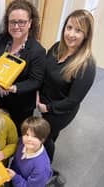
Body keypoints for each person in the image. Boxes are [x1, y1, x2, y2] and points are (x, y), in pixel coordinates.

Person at [0, 0, 46, 136]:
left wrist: (13, 88)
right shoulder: (2, 39)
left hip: (20, 104)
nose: (16, 26)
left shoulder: (37, 51)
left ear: (30, 23)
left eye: (21, 22)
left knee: (15, 133)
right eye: (12, 22)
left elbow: (36, 81)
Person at [37, 9, 96, 162]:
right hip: (44, 100)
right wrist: (37, 93)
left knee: (46, 138)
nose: (71, 34)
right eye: (69, 28)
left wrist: (47, 108)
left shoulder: (86, 65)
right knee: (46, 134)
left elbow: (73, 101)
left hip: (60, 110)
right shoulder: (57, 47)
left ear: (86, 36)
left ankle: (45, 167)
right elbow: (44, 71)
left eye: (78, 30)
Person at [6, 116, 52, 187]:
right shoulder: (22, 141)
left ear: (42, 139)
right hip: (13, 176)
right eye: (27, 134)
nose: (29, 139)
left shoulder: (42, 168)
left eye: (35, 136)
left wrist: (15, 177)